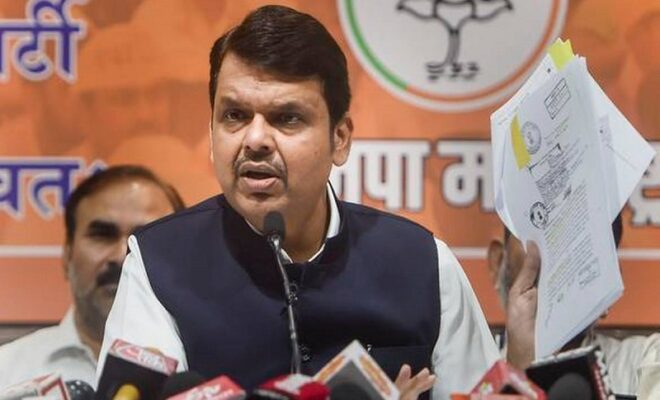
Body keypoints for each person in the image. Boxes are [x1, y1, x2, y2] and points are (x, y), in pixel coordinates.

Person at [98, 6, 499, 399]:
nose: (255, 140)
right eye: (234, 115)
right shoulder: (159, 264)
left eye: (287, 118)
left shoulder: (422, 263)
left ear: (340, 138)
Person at [0, 166, 184, 389]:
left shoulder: (207, 372)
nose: (122, 256)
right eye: (102, 235)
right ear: (67, 255)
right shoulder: (7, 372)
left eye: (144, 238)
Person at [488, 216, 660, 396]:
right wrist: (518, 373)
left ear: (610, 285)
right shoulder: (472, 369)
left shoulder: (646, 361)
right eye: (536, 231)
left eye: (580, 238)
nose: (557, 254)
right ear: (499, 263)